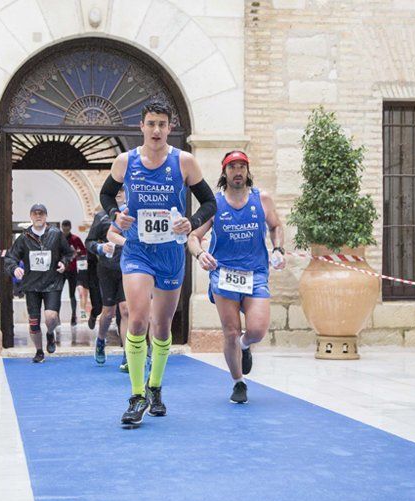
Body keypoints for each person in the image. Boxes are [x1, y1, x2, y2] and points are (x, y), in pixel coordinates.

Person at [99, 100, 217, 427]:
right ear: (142, 126)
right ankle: (136, 396)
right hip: (137, 249)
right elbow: (107, 196)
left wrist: (190, 223)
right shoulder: (126, 162)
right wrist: (115, 216)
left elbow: (209, 202)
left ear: (169, 128)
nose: (156, 130)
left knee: (162, 327)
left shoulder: (185, 162)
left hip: (170, 253)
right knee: (137, 320)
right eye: (151, 123)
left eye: (162, 124)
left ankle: (155, 387)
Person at [187, 151, 286, 404]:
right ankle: (238, 382)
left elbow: (276, 226)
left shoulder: (261, 199)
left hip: (256, 274)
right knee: (230, 331)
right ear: (225, 173)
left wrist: (278, 249)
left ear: (248, 171)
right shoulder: (214, 205)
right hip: (224, 274)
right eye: (232, 167)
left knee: (256, 330)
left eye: (242, 166)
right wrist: (200, 255)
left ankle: (245, 346)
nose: (238, 171)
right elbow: (192, 237)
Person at [3, 204, 74, 363]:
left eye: (41, 213)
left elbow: (69, 253)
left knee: (50, 316)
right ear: (31, 216)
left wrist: (64, 262)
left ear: (46, 216)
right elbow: (10, 258)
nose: (38, 216)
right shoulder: (24, 238)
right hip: (32, 285)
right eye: (35, 214)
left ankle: (50, 333)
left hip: (52, 283)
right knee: (34, 322)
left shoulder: (56, 235)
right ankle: (39, 351)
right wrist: (14, 269)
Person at [85, 190, 129, 371]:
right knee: (108, 312)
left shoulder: (134, 214)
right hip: (107, 269)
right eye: (115, 190)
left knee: (126, 310)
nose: (118, 193)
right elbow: (89, 242)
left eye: (122, 190)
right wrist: (101, 247)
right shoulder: (102, 216)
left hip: (129, 269)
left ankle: (128, 355)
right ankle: (101, 339)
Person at [60, 220, 88, 326]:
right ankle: (57, 315)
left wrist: (76, 253)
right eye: (64, 228)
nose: (65, 230)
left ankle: (73, 316)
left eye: (67, 229)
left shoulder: (75, 239)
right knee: (57, 293)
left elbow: (84, 251)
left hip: (72, 270)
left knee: (72, 294)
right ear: (62, 228)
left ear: (70, 228)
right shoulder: (59, 238)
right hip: (61, 270)